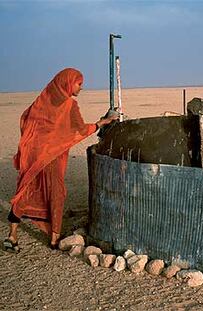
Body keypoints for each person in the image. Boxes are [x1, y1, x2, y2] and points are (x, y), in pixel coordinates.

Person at [3, 68, 118, 252]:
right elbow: (79, 130)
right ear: (67, 83)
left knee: (25, 189)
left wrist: (32, 145)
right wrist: (101, 123)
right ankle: (55, 238)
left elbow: (26, 118)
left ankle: (12, 235)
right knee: (57, 192)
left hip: (34, 155)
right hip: (53, 157)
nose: (81, 88)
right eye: (78, 83)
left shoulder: (43, 99)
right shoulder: (69, 105)